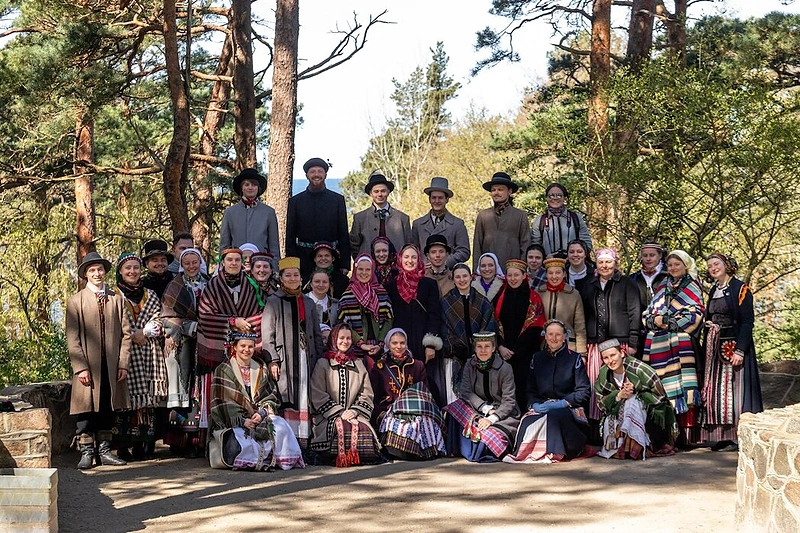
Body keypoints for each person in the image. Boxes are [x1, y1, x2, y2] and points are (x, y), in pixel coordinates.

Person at [66, 252, 130, 469]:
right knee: (85, 408)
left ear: (105, 272)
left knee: (107, 407)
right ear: (86, 274)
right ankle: (86, 451)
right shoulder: (76, 301)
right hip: (87, 365)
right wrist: (80, 367)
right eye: (92, 270)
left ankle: (104, 451)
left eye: (100, 269)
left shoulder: (116, 300)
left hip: (111, 364)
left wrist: (122, 363)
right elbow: (72, 337)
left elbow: (126, 335)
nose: (97, 273)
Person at [209, 334, 305, 470]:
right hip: (234, 420)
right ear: (234, 347)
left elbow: (270, 396)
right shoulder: (223, 370)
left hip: (259, 416)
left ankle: (277, 460)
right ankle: (249, 460)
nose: (246, 350)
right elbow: (222, 403)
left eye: (250, 346)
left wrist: (261, 413)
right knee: (238, 437)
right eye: (242, 346)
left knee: (281, 427)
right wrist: (243, 421)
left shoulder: (261, 367)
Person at [196, 248, 261, 439]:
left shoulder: (250, 285)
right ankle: (216, 437)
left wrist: (245, 324)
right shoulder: (213, 285)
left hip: (243, 349)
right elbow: (205, 316)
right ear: (222, 262)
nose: (233, 263)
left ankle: (244, 434)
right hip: (217, 351)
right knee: (217, 394)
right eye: (229, 260)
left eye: (237, 260)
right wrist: (233, 321)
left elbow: (259, 313)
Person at [504, 320, 591, 463]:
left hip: (567, 408)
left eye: (558, 334)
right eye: (550, 334)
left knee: (554, 417)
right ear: (545, 336)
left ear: (565, 336)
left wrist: (563, 403)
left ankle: (554, 453)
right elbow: (531, 389)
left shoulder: (574, 358)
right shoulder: (537, 358)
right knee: (528, 420)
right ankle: (526, 453)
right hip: (542, 405)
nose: (554, 338)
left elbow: (584, 390)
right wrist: (534, 404)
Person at [702, 252, 763, 452]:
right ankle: (722, 435)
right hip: (715, 347)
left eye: (716, 264)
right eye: (710, 266)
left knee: (735, 392)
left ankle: (738, 436)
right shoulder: (714, 290)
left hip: (733, 346)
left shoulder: (741, 289)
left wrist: (740, 350)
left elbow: (747, 322)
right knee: (718, 392)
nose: (713, 268)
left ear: (726, 265)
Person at [642, 250, 705, 446]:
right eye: (670, 265)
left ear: (686, 265)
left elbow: (696, 314)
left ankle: (685, 435)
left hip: (682, 343)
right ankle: (666, 433)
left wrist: (666, 322)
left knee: (682, 386)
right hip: (659, 344)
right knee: (662, 387)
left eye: (677, 264)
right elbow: (649, 313)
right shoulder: (663, 286)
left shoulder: (693, 286)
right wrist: (655, 320)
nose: (673, 268)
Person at [261, 257, 325, 448]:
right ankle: (287, 442)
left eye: (295, 275)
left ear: (301, 278)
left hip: (306, 356)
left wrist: (319, 358)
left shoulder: (308, 302)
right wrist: (272, 359)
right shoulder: (273, 301)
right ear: (281, 278)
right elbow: (267, 334)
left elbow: (316, 333)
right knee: (287, 396)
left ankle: (304, 439)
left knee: (305, 395)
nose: (292, 279)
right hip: (285, 359)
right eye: (288, 275)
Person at [578, 248, 641, 435]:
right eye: (601, 262)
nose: (604, 266)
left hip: (619, 341)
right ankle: (596, 430)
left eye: (608, 262)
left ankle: (621, 428)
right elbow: (582, 316)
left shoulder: (627, 284)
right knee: (595, 383)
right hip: (595, 343)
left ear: (615, 263)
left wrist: (633, 342)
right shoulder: (587, 284)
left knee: (619, 383)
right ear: (596, 264)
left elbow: (634, 313)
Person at [113, 253, 167, 462]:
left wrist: (144, 332)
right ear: (120, 271)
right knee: (125, 399)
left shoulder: (150, 294)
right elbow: (110, 323)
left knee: (147, 399)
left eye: (136, 267)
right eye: (128, 268)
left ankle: (144, 443)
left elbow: (160, 318)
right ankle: (123, 445)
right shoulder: (114, 295)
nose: (132, 272)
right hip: (125, 352)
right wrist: (131, 334)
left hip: (148, 351)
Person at [309, 323, 382, 466]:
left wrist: (354, 411)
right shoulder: (323, 364)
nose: (345, 341)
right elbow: (317, 394)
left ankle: (358, 457)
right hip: (327, 417)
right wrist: (340, 412)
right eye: (341, 338)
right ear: (334, 339)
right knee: (340, 427)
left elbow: (366, 394)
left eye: (348, 338)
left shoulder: (358, 364)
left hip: (356, 415)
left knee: (363, 430)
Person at [369, 328, 445, 460]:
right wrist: (380, 415)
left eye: (402, 343)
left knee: (423, 423)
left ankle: (423, 451)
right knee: (396, 425)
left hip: (415, 410)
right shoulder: (380, 367)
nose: (398, 347)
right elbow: (373, 396)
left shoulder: (417, 365)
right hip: (390, 410)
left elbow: (425, 393)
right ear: (388, 344)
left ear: (406, 344)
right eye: (394, 343)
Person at [444, 331, 520, 462]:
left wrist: (492, 418)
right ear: (475, 348)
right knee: (453, 409)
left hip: (502, 413)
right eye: (479, 346)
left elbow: (509, 401)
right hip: (478, 409)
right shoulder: (470, 365)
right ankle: (456, 449)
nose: (483, 350)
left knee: (489, 438)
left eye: (487, 346)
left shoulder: (505, 368)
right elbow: (466, 392)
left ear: (493, 348)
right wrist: (485, 408)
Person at [594, 339, 677, 460]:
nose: (610, 361)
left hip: (649, 417)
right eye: (606, 358)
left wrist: (637, 391)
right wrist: (618, 396)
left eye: (613, 355)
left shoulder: (640, 369)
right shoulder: (603, 375)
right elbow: (600, 404)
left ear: (622, 353)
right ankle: (619, 449)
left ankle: (636, 448)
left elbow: (660, 396)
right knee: (616, 413)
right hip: (616, 412)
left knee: (632, 402)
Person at [161, 248, 208, 455]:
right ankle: (179, 443)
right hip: (181, 346)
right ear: (181, 265)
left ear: (200, 262)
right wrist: (191, 327)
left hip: (204, 344)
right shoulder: (175, 286)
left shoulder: (209, 283)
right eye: (187, 263)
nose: (191, 266)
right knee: (182, 390)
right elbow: (167, 317)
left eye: (194, 262)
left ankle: (197, 442)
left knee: (199, 392)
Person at [437, 263, 497, 407]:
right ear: (453, 279)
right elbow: (443, 328)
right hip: (454, 356)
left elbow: (489, 326)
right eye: (458, 277)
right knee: (454, 397)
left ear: (471, 277)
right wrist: (455, 346)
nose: (462, 280)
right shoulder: (446, 302)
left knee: (479, 394)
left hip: (480, 356)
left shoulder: (482, 301)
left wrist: (480, 347)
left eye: (465, 276)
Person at [493, 259, 546, 412]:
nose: (513, 279)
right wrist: (501, 346)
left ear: (524, 276)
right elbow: (493, 322)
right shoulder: (500, 296)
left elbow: (536, 325)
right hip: (503, 353)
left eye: (516, 275)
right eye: (509, 275)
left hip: (525, 353)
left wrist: (516, 349)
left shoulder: (533, 297)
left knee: (524, 387)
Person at [286, 158, 351, 279]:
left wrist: (344, 264)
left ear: (325, 175)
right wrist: (292, 264)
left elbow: (343, 233)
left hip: (331, 258)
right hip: (304, 260)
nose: (316, 175)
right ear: (307, 175)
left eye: (320, 171)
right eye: (312, 172)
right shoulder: (295, 202)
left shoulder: (337, 200)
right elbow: (290, 236)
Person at [385, 244, 443, 367]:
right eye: (406, 257)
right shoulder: (391, 286)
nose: (410, 261)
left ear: (419, 260)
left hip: (422, 342)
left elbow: (434, 315)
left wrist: (430, 344)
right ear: (400, 259)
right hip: (399, 343)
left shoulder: (429, 284)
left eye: (413, 257)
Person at [336, 255, 394, 358]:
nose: (364, 273)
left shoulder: (382, 294)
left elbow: (389, 319)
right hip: (355, 351)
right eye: (360, 269)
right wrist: (361, 343)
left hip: (380, 349)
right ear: (355, 270)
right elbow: (343, 324)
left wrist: (380, 343)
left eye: (368, 270)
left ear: (372, 271)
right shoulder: (347, 296)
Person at [219, 168, 280, 262]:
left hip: (261, 265)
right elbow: (224, 245)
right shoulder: (230, 212)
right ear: (242, 188)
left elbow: (274, 247)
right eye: (247, 184)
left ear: (258, 188)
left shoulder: (268, 212)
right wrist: (223, 265)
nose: (250, 188)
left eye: (254, 185)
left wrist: (274, 267)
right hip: (237, 264)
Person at [473, 172, 530, 270]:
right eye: (493, 190)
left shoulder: (520, 215)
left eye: (500, 190)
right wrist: (476, 272)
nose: (496, 193)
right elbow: (477, 246)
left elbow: (525, 245)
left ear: (509, 191)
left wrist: (522, 269)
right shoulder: (483, 215)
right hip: (488, 271)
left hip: (512, 271)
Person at [349, 171, 412, 258]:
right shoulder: (360, 218)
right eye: (376, 191)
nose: (380, 194)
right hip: (369, 264)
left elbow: (409, 245)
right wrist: (362, 261)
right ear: (371, 193)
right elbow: (354, 245)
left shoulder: (402, 218)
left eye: (383, 191)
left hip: (396, 264)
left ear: (388, 192)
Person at [411, 177, 470, 268]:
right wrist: (421, 264)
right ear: (429, 199)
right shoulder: (418, 224)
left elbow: (464, 252)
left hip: (448, 273)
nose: (437, 201)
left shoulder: (457, 224)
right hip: (424, 272)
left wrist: (444, 261)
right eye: (434, 198)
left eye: (440, 198)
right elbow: (413, 250)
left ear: (447, 199)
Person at [536, 257, 587, 355]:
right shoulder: (539, 293)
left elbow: (580, 325)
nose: (554, 276)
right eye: (550, 273)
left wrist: (582, 352)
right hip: (543, 346)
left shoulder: (573, 294)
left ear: (564, 274)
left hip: (568, 346)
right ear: (546, 274)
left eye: (558, 273)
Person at [530, 182, 592, 257]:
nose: (555, 198)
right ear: (546, 198)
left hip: (573, 262)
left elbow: (586, 243)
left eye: (559, 195)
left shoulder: (576, 218)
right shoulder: (540, 220)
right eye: (551, 195)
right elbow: (535, 246)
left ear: (564, 198)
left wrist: (575, 255)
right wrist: (545, 257)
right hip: (548, 262)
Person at [630, 242, 669, 358]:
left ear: (660, 255)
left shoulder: (669, 276)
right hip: (641, 334)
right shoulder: (633, 278)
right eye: (645, 255)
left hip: (665, 331)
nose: (648, 259)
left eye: (652, 255)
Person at [306, 269, 339, 339]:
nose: (321, 285)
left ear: (329, 284)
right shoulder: (302, 302)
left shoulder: (336, 304)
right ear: (311, 284)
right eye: (317, 281)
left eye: (325, 282)